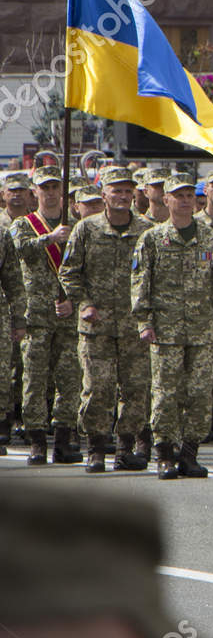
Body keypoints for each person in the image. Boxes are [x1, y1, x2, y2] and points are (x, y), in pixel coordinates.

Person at [131, 172, 213, 481]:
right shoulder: (152, 238)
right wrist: (144, 322)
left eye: (189, 195)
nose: (185, 201)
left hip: (201, 330)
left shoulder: (209, 236)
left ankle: (189, 453)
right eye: (179, 195)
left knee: (200, 393)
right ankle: (163, 453)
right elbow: (139, 283)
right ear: (166, 199)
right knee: (165, 393)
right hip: (166, 330)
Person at [59, 165, 153, 473]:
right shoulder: (87, 229)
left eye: (128, 191)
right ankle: (96, 448)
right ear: (105, 195)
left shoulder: (147, 230)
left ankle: (125, 448)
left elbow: (156, 276)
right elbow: (69, 272)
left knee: (136, 390)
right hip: (96, 326)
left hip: (134, 327)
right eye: (117, 191)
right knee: (98, 388)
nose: (123, 196)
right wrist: (83, 303)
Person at [10, 164, 81, 466]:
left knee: (69, 378)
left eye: (55, 188)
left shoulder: (78, 225)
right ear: (34, 192)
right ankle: (37, 439)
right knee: (34, 379)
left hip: (66, 315)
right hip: (36, 314)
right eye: (45, 188)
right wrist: (50, 238)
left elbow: (89, 271)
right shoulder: (24, 224)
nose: (50, 193)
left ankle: (63, 439)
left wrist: (74, 302)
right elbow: (18, 251)